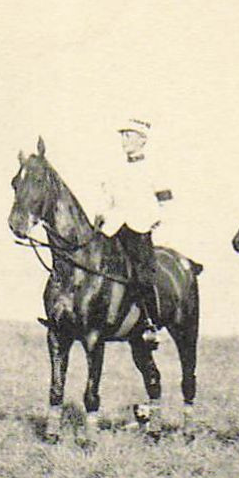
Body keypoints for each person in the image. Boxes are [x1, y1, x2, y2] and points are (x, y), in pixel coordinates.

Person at [91, 116, 172, 329]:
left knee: (143, 274)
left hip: (139, 228)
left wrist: (155, 221)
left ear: (142, 140)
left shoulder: (155, 168)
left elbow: (165, 201)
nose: (124, 141)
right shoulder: (114, 169)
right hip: (113, 228)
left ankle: (148, 321)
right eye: (123, 136)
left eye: (129, 136)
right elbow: (106, 198)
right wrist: (100, 215)